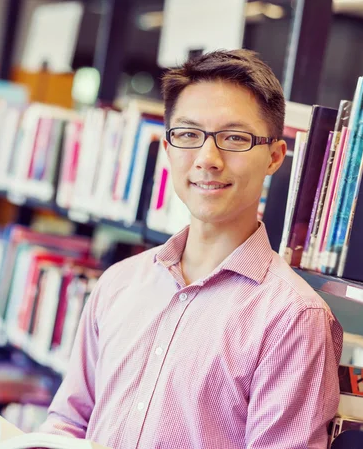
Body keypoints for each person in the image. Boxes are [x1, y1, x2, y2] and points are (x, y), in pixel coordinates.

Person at [39, 49, 343, 449]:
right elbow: (70, 420)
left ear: (274, 157)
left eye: (234, 138)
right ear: (167, 148)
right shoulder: (119, 284)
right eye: (188, 134)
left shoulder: (293, 318)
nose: (207, 159)